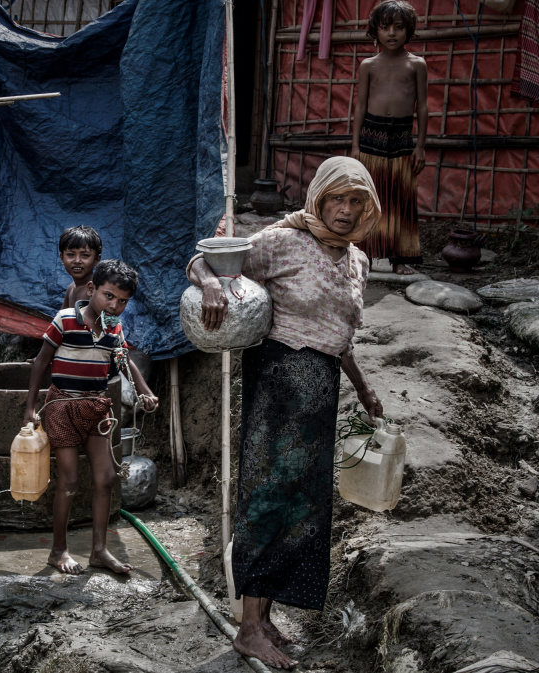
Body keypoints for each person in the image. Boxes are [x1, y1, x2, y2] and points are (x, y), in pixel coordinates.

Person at [187, 157, 385, 670]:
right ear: (317, 198)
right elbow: (207, 260)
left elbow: (340, 338)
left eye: (355, 201)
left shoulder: (357, 259)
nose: (344, 211)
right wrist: (210, 284)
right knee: (269, 495)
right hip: (278, 384)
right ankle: (248, 628)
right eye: (335, 199)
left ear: (368, 206)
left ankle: (265, 615)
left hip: (320, 392)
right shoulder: (284, 241)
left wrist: (363, 391)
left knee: (303, 504)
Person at [24, 259, 158, 575]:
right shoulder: (65, 320)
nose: (114, 304)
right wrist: (30, 407)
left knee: (107, 478)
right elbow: (41, 363)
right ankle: (58, 551)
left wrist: (144, 390)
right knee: (69, 480)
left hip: (97, 407)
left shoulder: (114, 329)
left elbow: (124, 361)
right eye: (108, 296)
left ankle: (99, 551)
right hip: (62, 408)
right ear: (91, 289)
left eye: (122, 301)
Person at [351, 0, 428, 275]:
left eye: (398, 27)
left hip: (402, 137)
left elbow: (423, 107)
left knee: (401, 197)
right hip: (372, 135)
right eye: (385, 28)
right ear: (376, 32)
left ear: (409, 30)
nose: (392, 34)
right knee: (370, 197)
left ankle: (400, 258)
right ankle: (365, 255)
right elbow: (360, 106)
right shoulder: (368, 65)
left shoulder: (417, 64)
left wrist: (420, 147)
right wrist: (355, 145)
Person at [59, 226, 103, 309]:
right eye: (71, 254)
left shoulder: (96, 290)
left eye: (85, 255)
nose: (77, 261)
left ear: (97, 259)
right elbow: (60, 319)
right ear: (62, 258)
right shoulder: (71, 288)